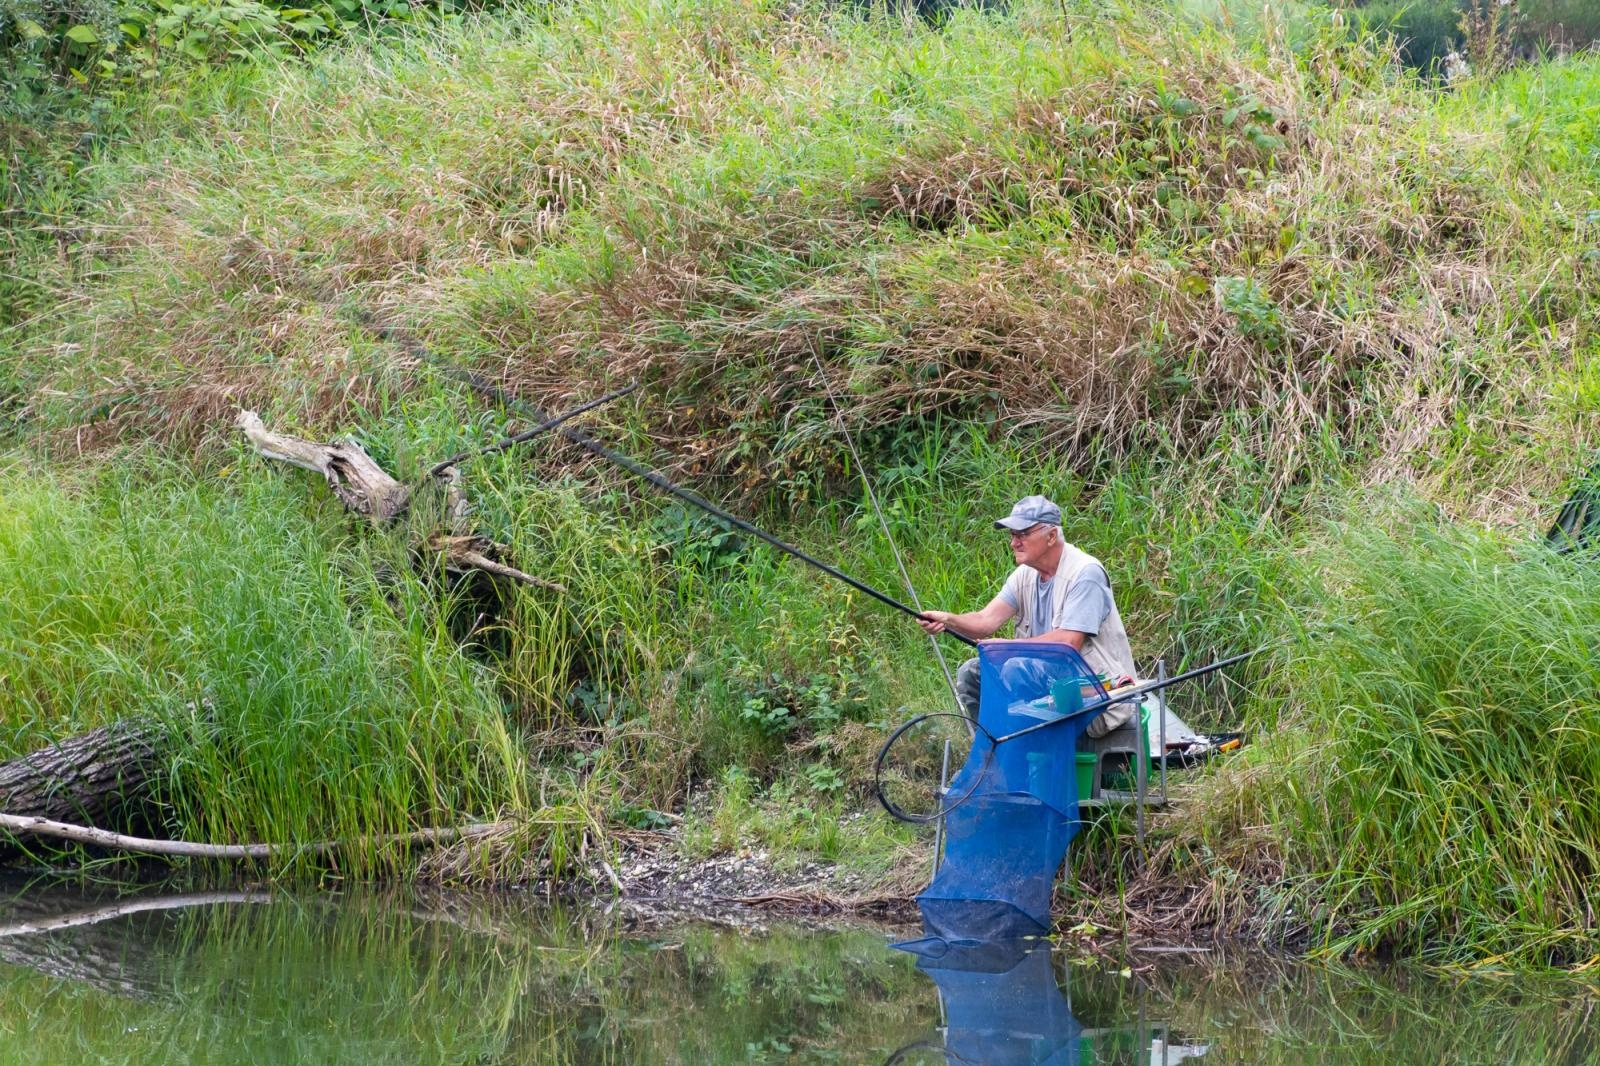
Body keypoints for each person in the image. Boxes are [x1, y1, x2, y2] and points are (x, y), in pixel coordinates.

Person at [917, 495, 1138, 738]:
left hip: (1095, 691)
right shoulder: (1025, 574)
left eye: (1022, 534)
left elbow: (1069, 642)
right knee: (971, 673)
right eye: (1012, 535)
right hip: (1046, 679)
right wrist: (947, 619)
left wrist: (1008, 648)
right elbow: (985, 621)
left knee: (1015, 668)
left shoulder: (1086, 573)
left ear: (1051, 536)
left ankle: (1020, 745)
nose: (1014, 543)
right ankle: (993, 748)